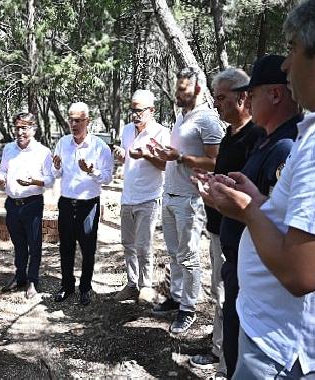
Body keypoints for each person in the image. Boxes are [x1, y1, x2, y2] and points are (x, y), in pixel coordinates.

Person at [199, 1, 315, 378]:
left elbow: (301, 274)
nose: (286, 65)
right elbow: (313, 225)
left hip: (283, 350)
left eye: (291, 48)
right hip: (290, 341)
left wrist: (248, 212)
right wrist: (258, 201)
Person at [211, 55, 301, 378]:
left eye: (253, 93)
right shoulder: (268, 140)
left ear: (275, 95)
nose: (246, 100)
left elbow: (279, 223)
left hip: (264, 291)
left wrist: (237, 206)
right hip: (241, 268)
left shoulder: (285, 146)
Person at [189, 67, 262, 377]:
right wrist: (210, 182)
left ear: (243, 97)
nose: (216, 104)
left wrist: (217, 191)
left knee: (227, 298)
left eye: (221, 98)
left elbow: (248, 191)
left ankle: (224, 364)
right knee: (220, 293)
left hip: (241, 235)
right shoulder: (228, 134)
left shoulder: (256, 136)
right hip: (219, 227)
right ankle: (221, 351)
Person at [152, 67, 223, 334]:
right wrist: (164, 154)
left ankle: (188, 309)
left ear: (197, 90)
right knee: (174, 253)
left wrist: (181, 158)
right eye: (176, 88)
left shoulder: (206, 120)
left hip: (191, 199)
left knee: (190, 256)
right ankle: (176, 296)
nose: (177, 94)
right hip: (169, 195)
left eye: (182, 90)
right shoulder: (181, 117)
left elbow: (216, 162)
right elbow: (175, 154)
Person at [51, 102, 114, 306]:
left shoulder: (99, 147)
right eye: (71, 119)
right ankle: (67, 286)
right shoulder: (62, 143)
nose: (74, 124)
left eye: (78, 120)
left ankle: (85, 287)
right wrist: (57, 167)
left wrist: (91, 171)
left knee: (87, 249)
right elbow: (56, 174)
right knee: (66, 248)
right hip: (67, 203)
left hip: (89, 205)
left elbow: (107, 178)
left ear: (88, 121)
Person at [112, 89, 170, 304]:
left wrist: (146, 155)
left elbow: (165, 165)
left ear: (151, 110)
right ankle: (131, 283)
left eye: (139, 111)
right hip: (128, 195)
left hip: (149, 196)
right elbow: (127, 160)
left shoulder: (162, 133)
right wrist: (121, 156)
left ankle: (145, 286)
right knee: (128, 243)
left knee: (144, 245)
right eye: (132, 111)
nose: (135, 115)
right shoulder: (127, 130)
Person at [0, 112, 54, 299]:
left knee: (34, 244)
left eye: (24, 128)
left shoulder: (43, 152)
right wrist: (1, 177)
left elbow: (50, 180)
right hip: (12, 204)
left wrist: (33, 181)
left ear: (33, 129)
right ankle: (20, 276)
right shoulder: (8, 149)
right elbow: (3, 170)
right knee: (18, 243)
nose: (20, 132)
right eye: (17, 128)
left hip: (32, 204)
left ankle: (32, 281)